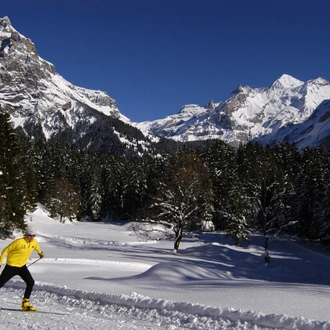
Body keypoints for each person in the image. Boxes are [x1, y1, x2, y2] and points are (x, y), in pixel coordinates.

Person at [0, 224, 44, 311]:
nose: (31, 237)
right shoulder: (19, 242)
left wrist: (40, 253)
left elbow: (36, 247)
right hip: (11, 267)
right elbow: (6, 250)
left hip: (22, 267)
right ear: (26, 234)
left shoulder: (34, 242)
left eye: (33, 236)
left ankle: (25, 303)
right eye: (30, 235)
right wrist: (0, 261)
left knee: (30, 282)